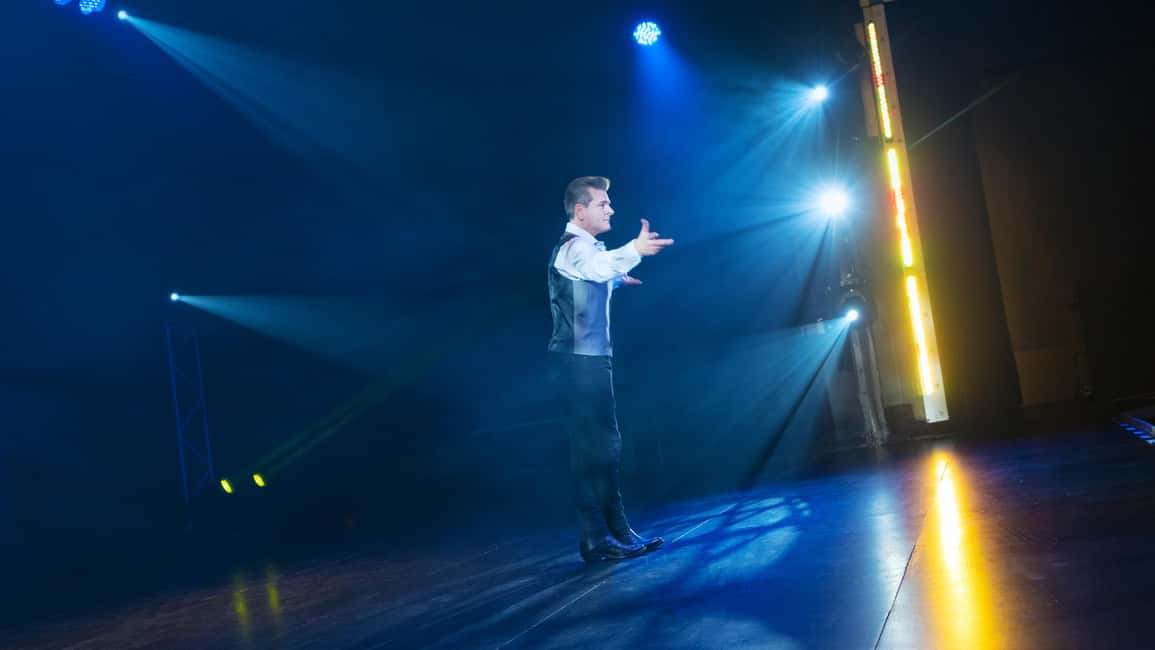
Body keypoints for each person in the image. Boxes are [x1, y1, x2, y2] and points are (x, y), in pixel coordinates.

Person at [547, 176, 674, 562]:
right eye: (603, 204)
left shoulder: (583, 250)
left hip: (590, 361)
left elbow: (591, 277)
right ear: (579, 211)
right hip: (578, 362)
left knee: (605, 446)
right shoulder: (572, 248)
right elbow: (594, 267)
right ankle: (596, 537)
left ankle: (616, 529)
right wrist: (634, 250)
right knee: (594, 449)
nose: (611, 209)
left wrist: (615, 282)